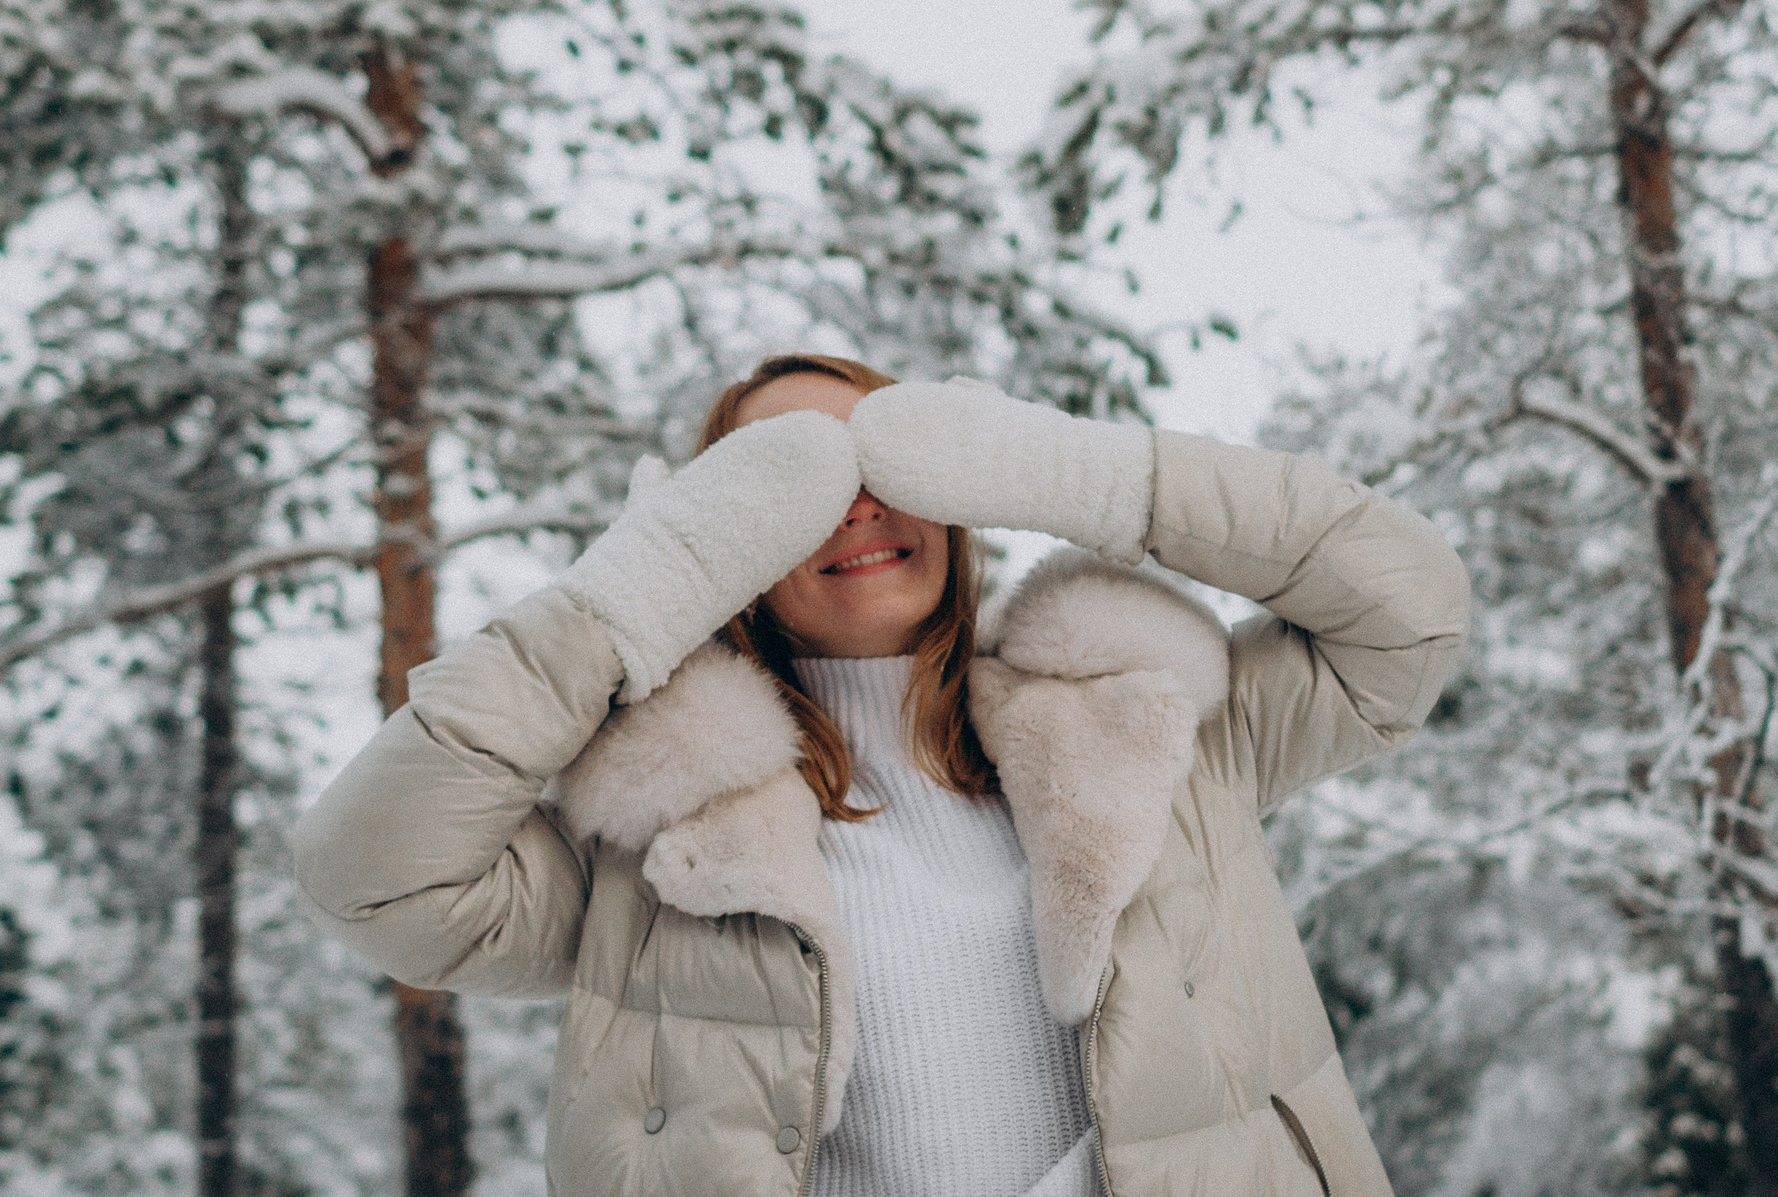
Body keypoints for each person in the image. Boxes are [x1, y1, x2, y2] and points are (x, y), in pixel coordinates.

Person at [292, 353, 1471, 1197]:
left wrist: (1083, 473)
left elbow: (1408, 619)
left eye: (882, 458)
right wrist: (627, 601)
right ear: (721, 556)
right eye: (777, 487)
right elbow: (371, 878)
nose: (851, 501)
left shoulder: (1159, 728)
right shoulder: (653, 843)